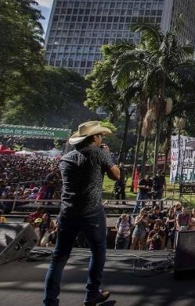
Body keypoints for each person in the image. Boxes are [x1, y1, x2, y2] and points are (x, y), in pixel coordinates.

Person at [43, 120, 120, 306]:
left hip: (68, 211)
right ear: (94, 137)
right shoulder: (99, 153)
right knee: (98, 251)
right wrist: (108, 156)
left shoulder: (65, 158)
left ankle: (50, 301)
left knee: (59, 258)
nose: (101, 137)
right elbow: (116, 175)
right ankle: (92, 294)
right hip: (91, 210)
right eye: (100, 135)